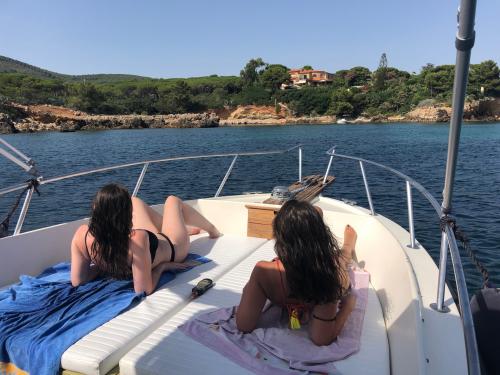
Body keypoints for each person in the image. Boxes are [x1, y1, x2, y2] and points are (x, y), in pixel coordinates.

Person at [236, 199, 357, 346]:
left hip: (310, 270)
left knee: (341, 260)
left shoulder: (263, 272)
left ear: (278, 239)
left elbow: (243, 325)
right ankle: (319, 224)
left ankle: (348, 245)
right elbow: (321, 337)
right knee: (336, 260)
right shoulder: (326, 274)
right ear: (324, 238)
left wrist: (348, 305)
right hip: (318, 270)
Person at [70, 183, 220, 295]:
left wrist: (103, 264)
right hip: (173, 246)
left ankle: (181, 227)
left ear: (95, 209)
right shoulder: (137, 239)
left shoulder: (81, 235)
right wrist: (163, 267)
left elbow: (78, 280)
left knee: (134, 200)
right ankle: (212, 230)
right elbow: (143, 289)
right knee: (172, 201)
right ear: (125, 215)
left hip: (147, 242)